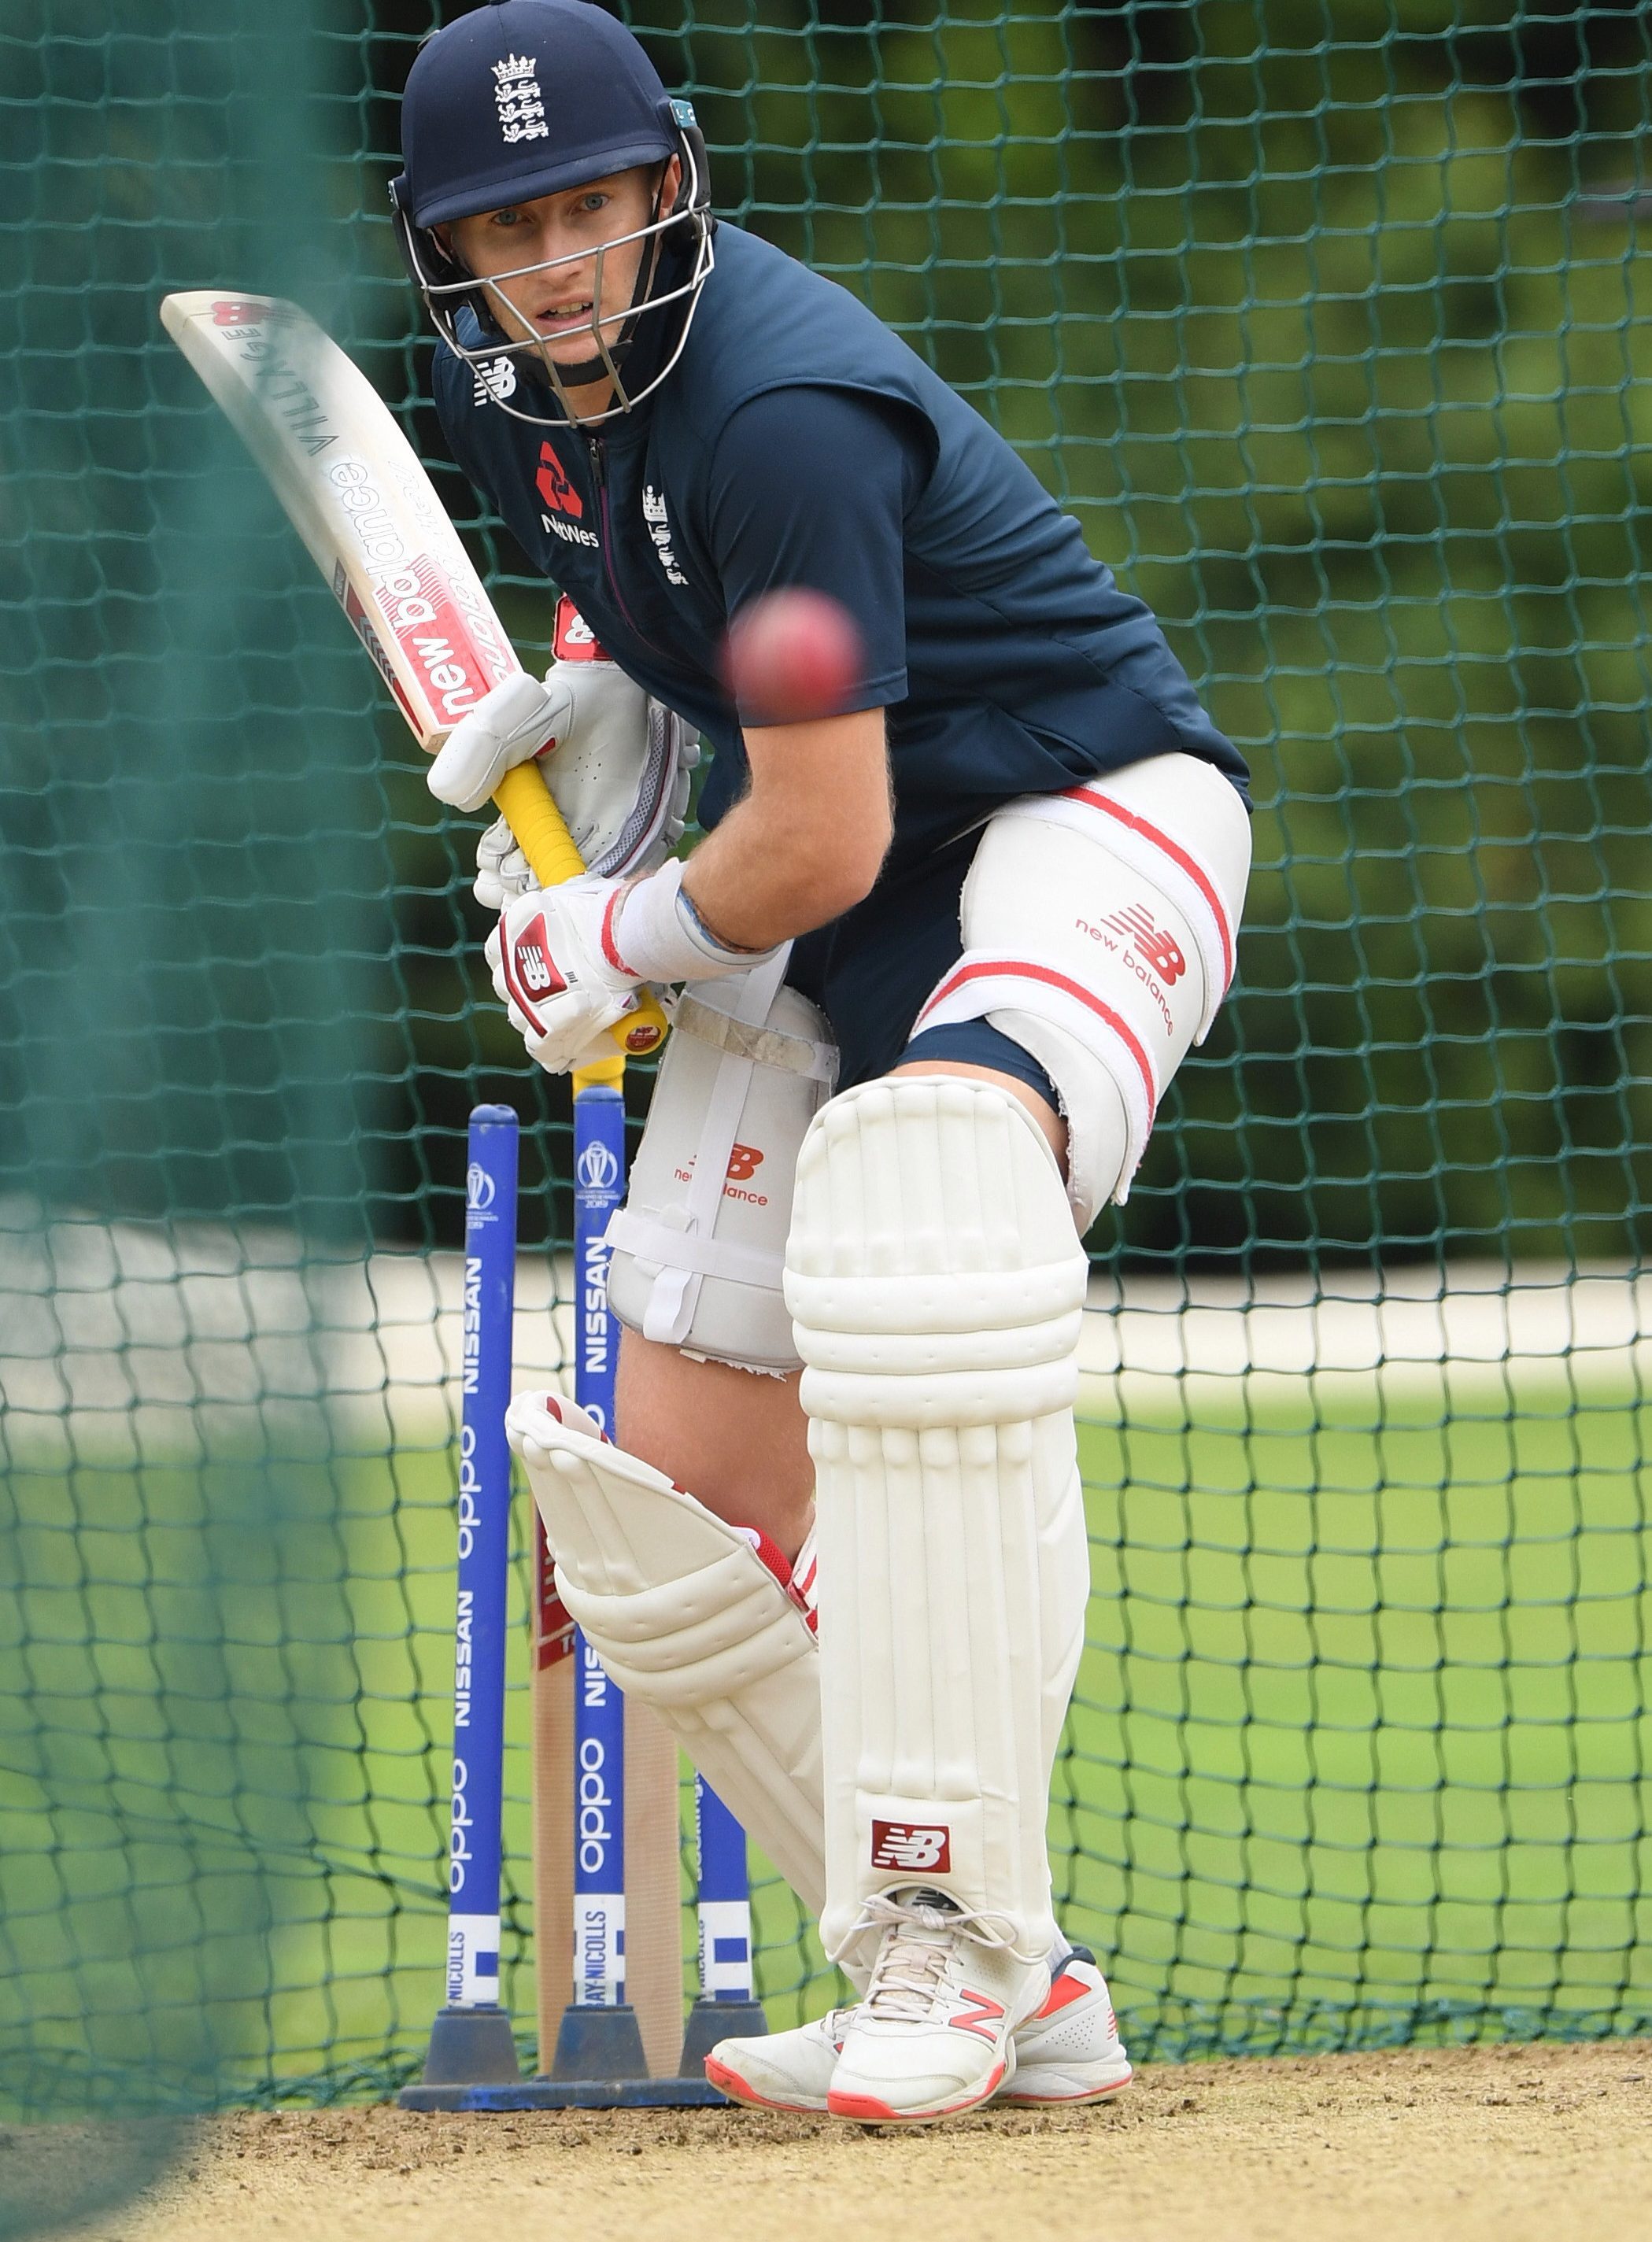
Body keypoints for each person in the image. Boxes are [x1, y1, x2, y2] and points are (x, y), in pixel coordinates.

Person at [394, 0, 1252, 2124]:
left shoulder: (779, 404)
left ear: (669, 184)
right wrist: (609, 705)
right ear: (458, 263)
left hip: (1071, 815)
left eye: (593, 207)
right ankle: (1002, 1971)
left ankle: (947, 1949)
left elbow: (824, 832)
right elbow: (686, 649)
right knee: (659, 1502)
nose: (564, 265)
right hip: (849, 895)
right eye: (513, 232)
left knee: (934, 1186)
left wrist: (611, 930)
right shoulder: (514, 398)